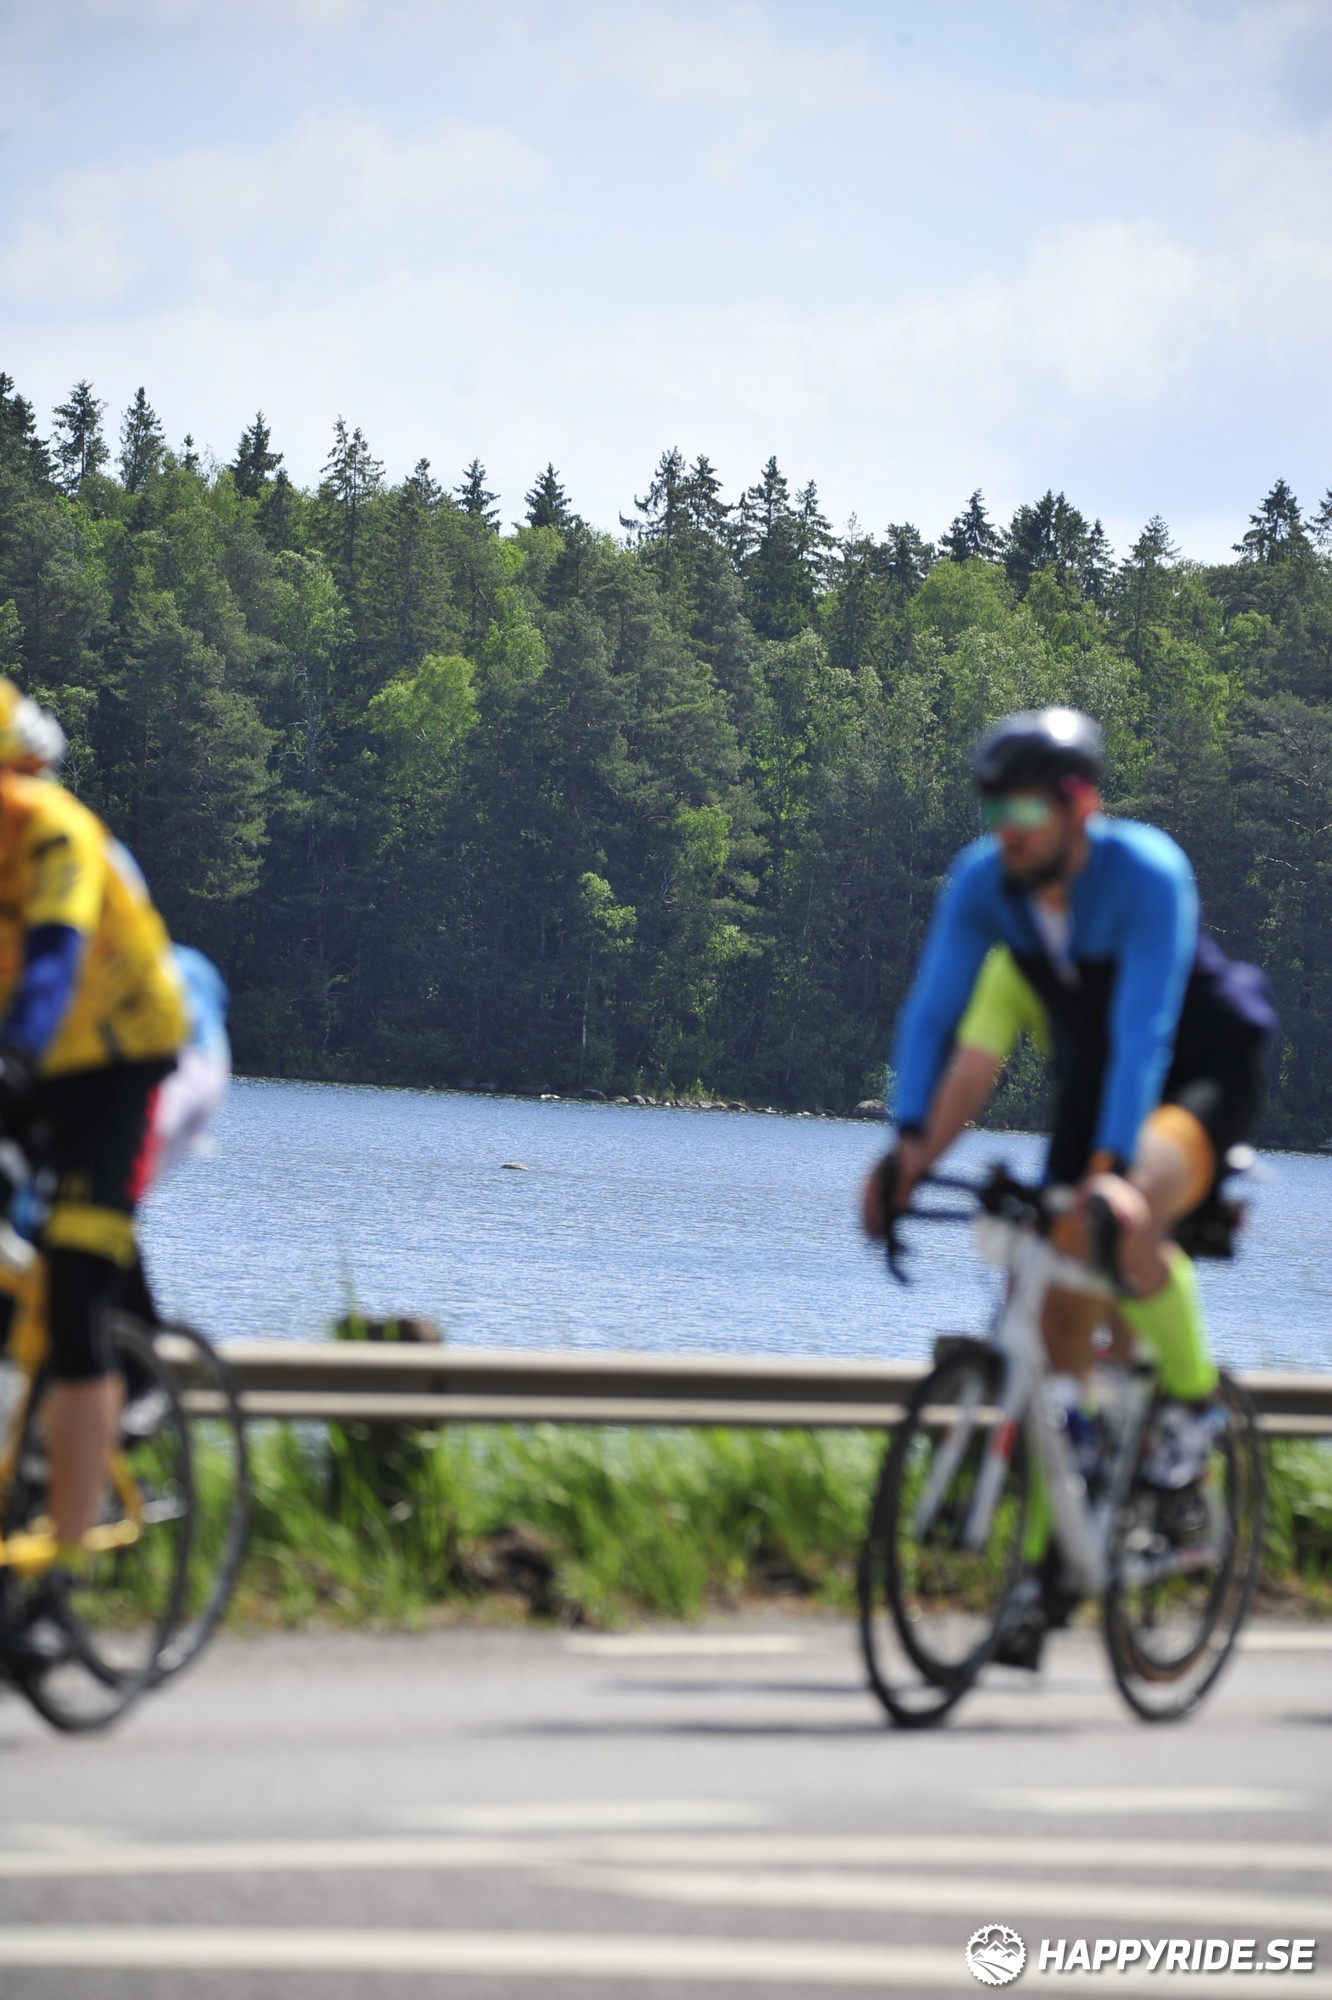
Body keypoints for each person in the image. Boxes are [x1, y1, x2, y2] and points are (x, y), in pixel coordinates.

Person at [862, 707, 1275, 1662]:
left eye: (1022, 809)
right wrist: (904, 1156)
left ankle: (1191, 1418)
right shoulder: (987, 887)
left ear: (1078, 807)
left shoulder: (1146, 873)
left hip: (1199, 1069)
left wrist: (1111, 1176)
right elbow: (942, 1031)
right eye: (991, 808)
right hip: (1098, 1087)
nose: (1002, 828)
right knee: (1054, 1343)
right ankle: (1049, 1574)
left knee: (1120, 1217)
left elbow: (1143, 1036)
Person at [0, 679, 188, 1661]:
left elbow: (52, 961)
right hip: (33, 1059)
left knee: (75, 1288)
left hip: (118, 1059)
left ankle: (61, 1577)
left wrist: (15, 1065)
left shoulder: (55, 830)